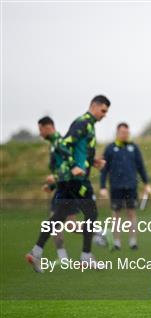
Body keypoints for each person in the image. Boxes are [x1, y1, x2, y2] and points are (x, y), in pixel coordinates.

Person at [26, 95, 110, 272]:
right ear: (94, 107)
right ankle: (86, 256)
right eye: (103, 110)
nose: (105, 114)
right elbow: (65, 144)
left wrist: (92, 161)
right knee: (91, 214)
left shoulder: (88, 125)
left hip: (72, 179)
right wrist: (74, 167)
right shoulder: (83, 123)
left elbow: (76, 149)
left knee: (59, 217)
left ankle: (36, 252)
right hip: (77, 180)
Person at [100, 122, 151, 250]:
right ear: (117, 133)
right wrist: (102, 187)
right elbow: (104, 169)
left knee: (131, 213)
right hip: (116, 186)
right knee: (116, 214)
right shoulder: (110, 149)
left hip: (131, 186)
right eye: (123, 132)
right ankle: (117, 242)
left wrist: (146, 183)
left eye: (127, 133)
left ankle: (133, 241)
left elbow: (141, 167)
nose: (125, 135)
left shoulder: (133, 148)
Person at [36, 116, 78, 262]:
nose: (40, 133)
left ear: (48, 127)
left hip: (68, 190)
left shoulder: (59, 143)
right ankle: (63, 257)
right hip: (61, 189)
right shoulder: (53, 144)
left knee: (62, 224)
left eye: (41, 129)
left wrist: (55, 178)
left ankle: (100, 232)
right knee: (59, 224)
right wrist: (52, 185)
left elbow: (71, 163)